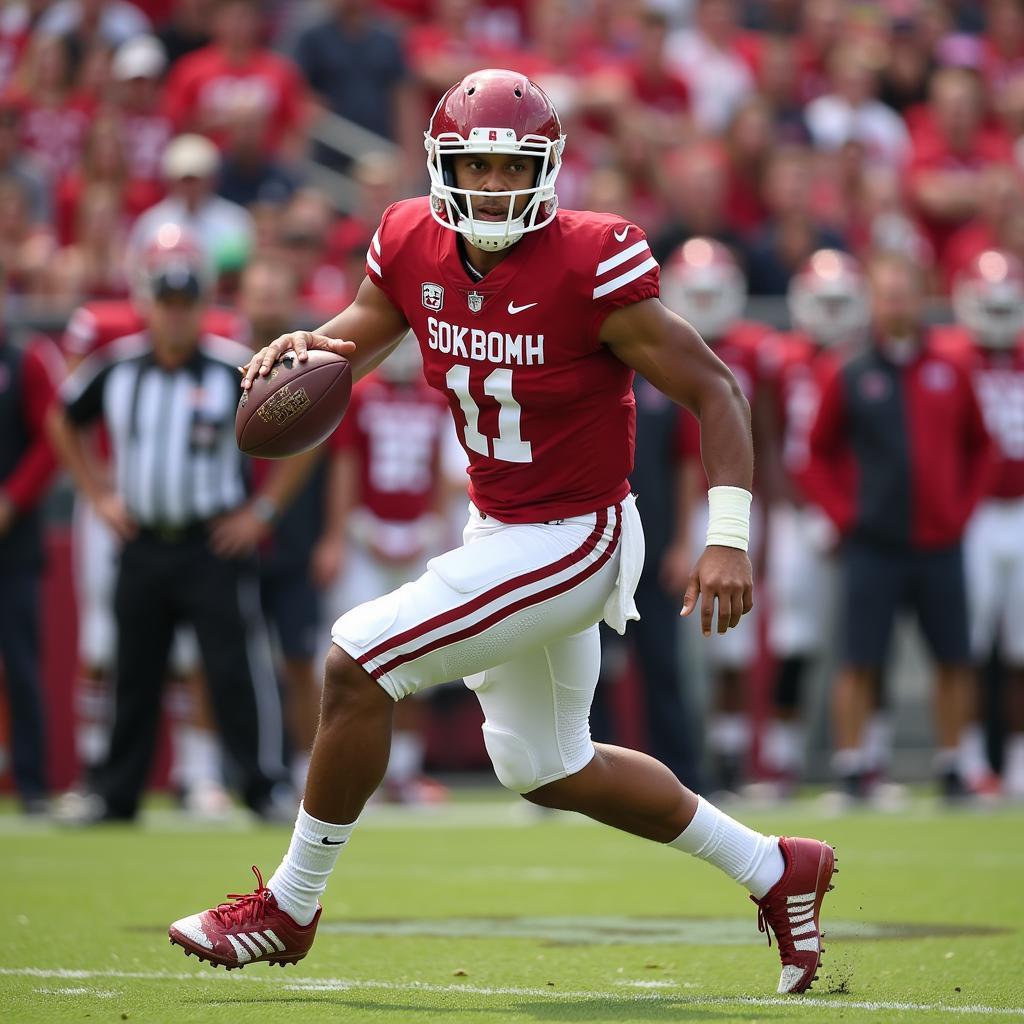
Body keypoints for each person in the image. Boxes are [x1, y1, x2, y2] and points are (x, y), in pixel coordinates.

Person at [168, 69, 835, 996]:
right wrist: (310, 346)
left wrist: (730, 534)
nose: (489, 187)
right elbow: (370, 326)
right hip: (501, 526)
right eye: (472, 166)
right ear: (444, 166)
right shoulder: (408, 239)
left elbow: (715, 387)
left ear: (547, 169)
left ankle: (288, 906)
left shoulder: (592, 261)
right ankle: (776, 868)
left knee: (357, 661)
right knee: (545, 764)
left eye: (507, 168)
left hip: (576, 535)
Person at [47, 253, 314, 823]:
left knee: (233, 668)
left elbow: (303, 428)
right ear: (147, 307)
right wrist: (97, 496)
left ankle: (263, 785)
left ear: (201, 310)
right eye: (164, 305)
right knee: (134, 671)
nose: (173, 318)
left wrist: (261, 513)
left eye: (184, 306)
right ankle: (115, 794)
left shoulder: (231, 369)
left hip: (210, 544)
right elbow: (63, 417)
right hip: (142, 541)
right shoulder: (117, 369)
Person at [806, 251, 995, 802]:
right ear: (873, 300)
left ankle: (954, 763)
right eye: (887, 294)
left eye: (906, 293)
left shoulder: (951, 367)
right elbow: (814, 453)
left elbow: (981, 445)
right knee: (859, 658)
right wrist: (844, 515)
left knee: (954, 658)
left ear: (922, 299)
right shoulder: (849, 369)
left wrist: (962, 509)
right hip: (874, 544)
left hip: (940, 542)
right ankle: (852, 765)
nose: (897, 305)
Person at [314, 333, 454, 803]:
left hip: (419, 538)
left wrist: (435, 526)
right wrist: (339, 534)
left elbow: (443, 467)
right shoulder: (359, 394)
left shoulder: (438, 396)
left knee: (419, 658)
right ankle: (341, 775)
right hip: (365, 535)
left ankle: (403, 774)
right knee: (351, 658)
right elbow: (346, 464)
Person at [660, 237, 771, 794]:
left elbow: (768, 434)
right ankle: (702, 760)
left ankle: (730, 756)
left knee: (735, 640)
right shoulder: (662, 341)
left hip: (736, 497)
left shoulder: (755, 350)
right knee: (692, 644)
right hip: (693, 502)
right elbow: (679, 454)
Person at [757, 250, 869, 795]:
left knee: (864, 639)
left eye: (839, 302)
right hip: (798, 513)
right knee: (794, 637)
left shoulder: (865, 361)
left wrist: (850, 511)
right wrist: (792, 506)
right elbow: (770, 436)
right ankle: (782, 760)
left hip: (857, 517)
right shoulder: (782, 357)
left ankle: (862, 758)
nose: (829, 313)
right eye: (821, 301)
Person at [939, 250, 1024, 798]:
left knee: (1020, 650)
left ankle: (1017, 763)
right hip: (974, 513)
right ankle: (968, 759)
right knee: (965, 644)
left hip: (1020, 509)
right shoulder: (951, 355)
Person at [0, 269, 64, 814]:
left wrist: (11, 500)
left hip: (13, 543)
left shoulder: (26, 360)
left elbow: (52, 438)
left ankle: (33, 783)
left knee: (21, 664)